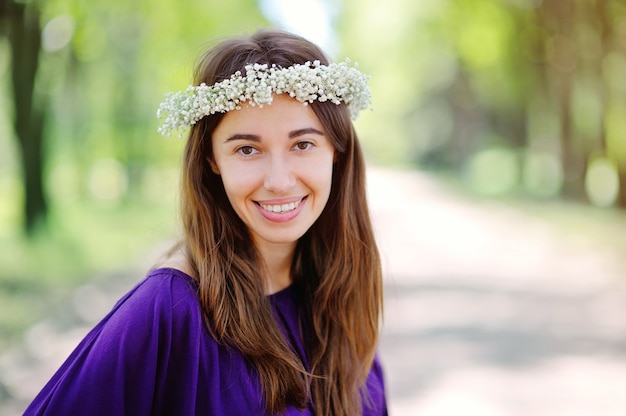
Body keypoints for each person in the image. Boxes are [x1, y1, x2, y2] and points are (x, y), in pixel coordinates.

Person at [24, 29, 387, 416]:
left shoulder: (340, 294)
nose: (279, 181)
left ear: (336, 151)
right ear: (212, 160)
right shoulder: (167, 308)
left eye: (302, 144)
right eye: (247, 149)